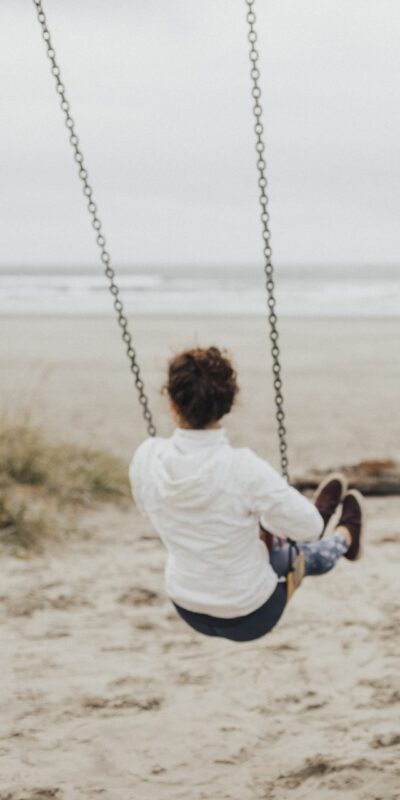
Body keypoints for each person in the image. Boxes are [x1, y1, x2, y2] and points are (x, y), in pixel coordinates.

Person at [130, 346, 364, 642]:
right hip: (251, 614)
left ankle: (297, 519)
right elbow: (310, 529)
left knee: (258, 532)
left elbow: (150, 510)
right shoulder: (243, 469)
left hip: (186, 603)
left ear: (173, 404)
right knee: (298, 552)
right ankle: (346, 538)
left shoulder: (146, 456)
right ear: (228, 404)